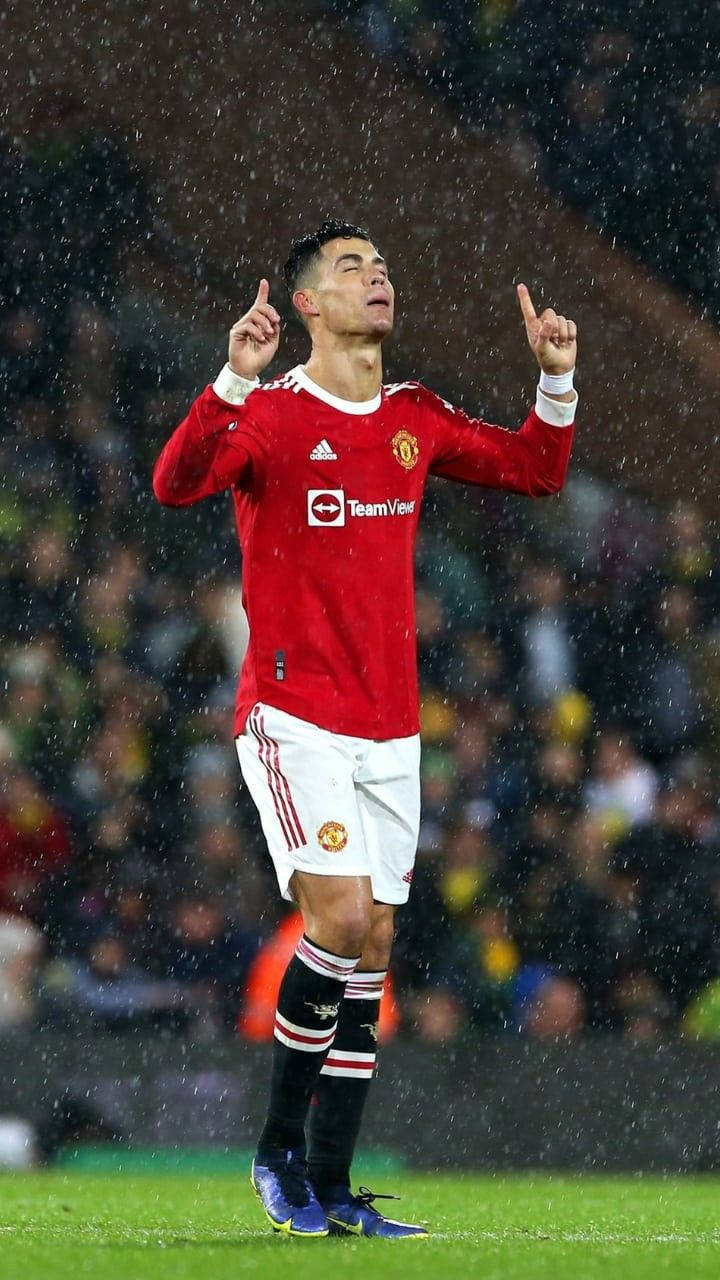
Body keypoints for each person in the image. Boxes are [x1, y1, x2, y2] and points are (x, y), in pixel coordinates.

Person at [153, 218, 578, 1238]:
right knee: (338, 920)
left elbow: (533, 469)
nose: (377, 278)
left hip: (390, 728)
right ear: (305, 303)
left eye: (383, 265)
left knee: (374, 942)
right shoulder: (275, 416)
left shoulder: (413, 417)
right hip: (293, 714)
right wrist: (228, 379)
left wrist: (554, 380)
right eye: (353, 268)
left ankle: (335, 1185)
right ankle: (275, 1151)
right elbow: (177, 483)